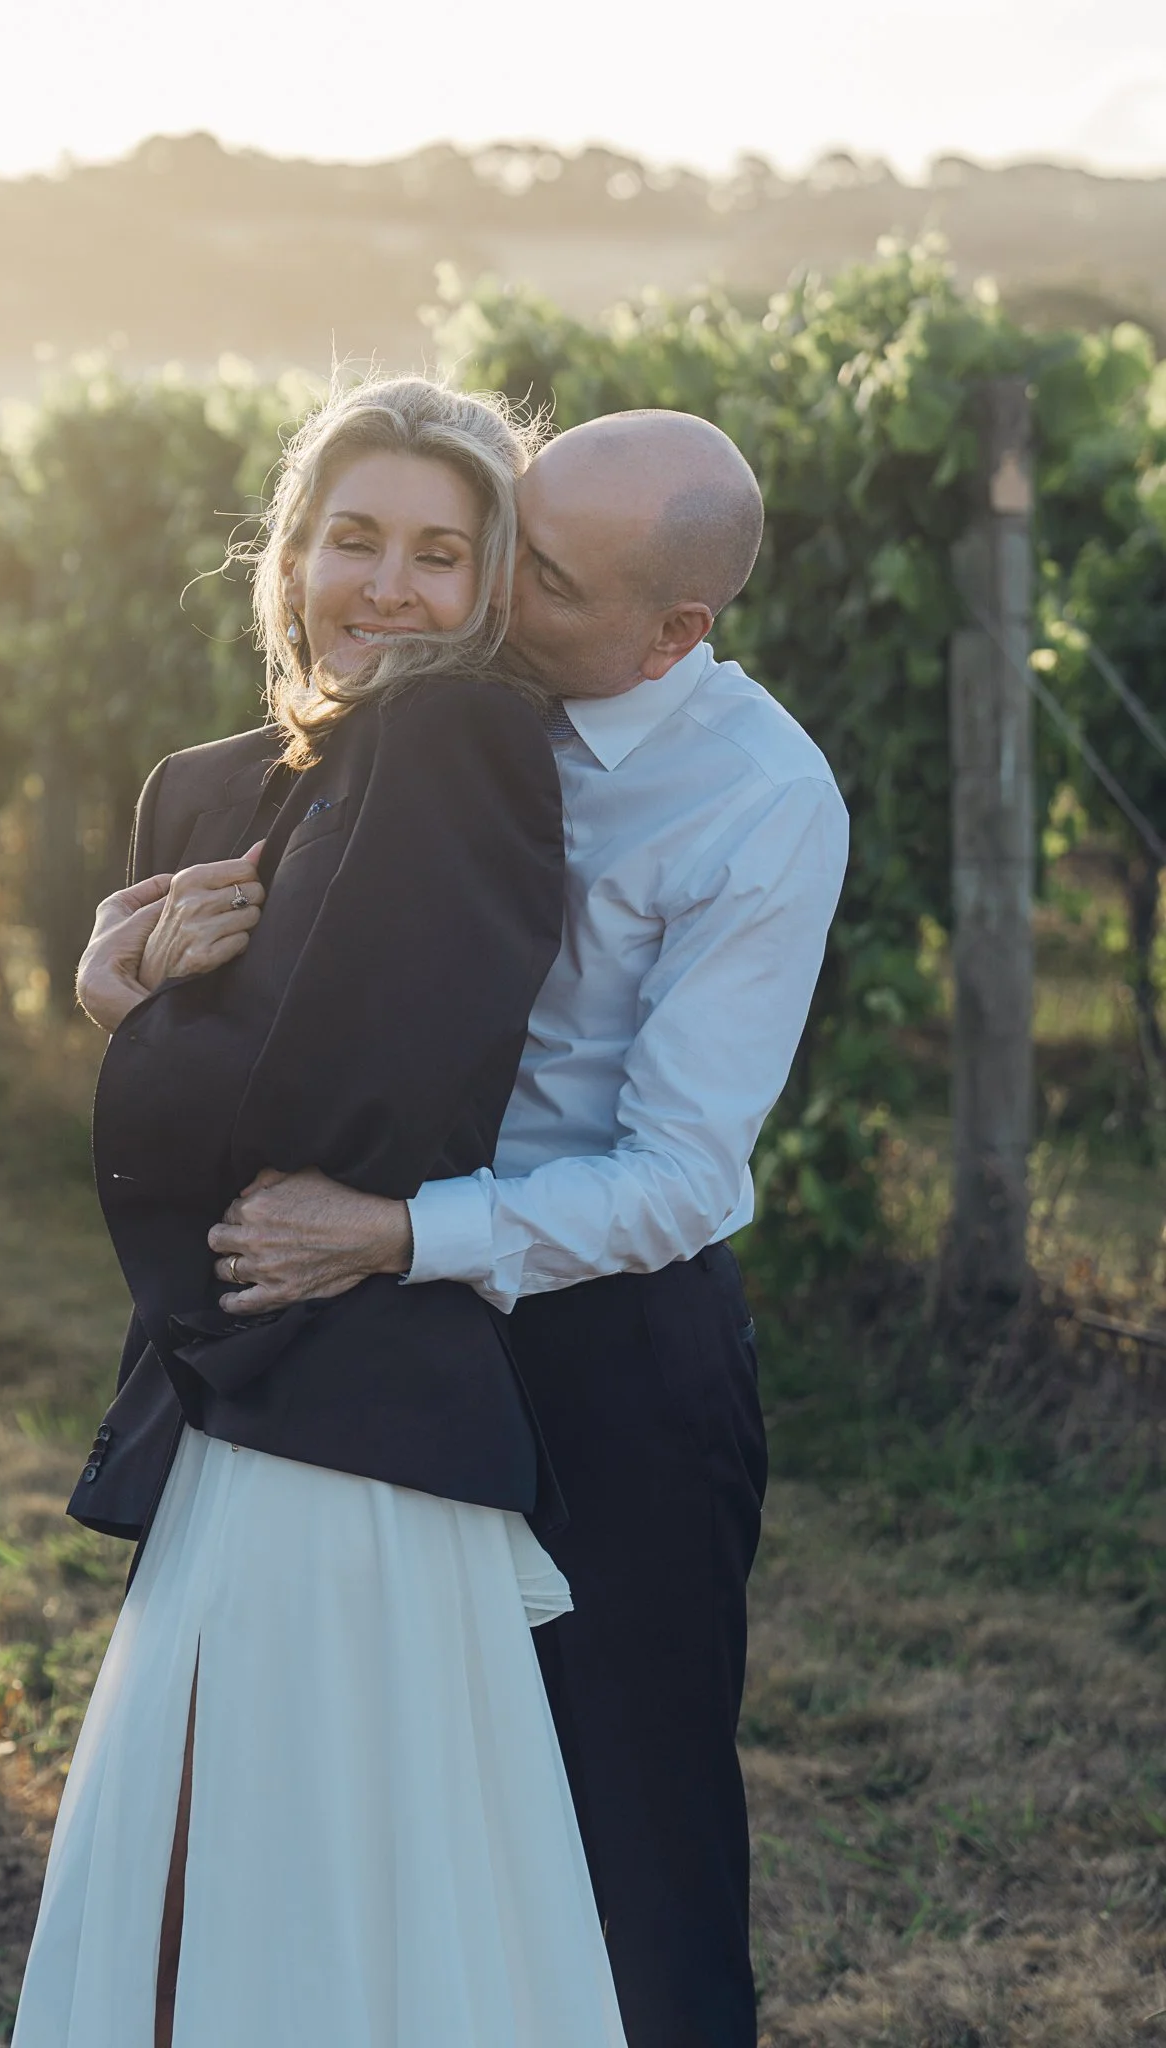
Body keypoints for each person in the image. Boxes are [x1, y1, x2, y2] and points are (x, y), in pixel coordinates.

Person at [194, 411, 852, 2048]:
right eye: (508, 536)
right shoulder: (424, 711)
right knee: (420, 1825)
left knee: (633, 1833)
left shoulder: (761, 803)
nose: (485, 594)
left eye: (536, 574)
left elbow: (681, 1178)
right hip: (383, 1341)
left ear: (671, 632)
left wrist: (398, 1235)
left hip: (607, 1355)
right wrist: (121, 979)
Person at [11, 378, 628, 2048]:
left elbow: (322, 1119)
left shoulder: (459, 741)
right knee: (257, 1879)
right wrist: (136, 995)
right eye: (355, 539)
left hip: (352, 1408)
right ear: (288, 561)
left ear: (493, 590)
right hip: (244, 1398)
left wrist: (136, 1011)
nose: (391, 589)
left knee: (301, 1881)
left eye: (442, 555)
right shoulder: (216, 783)